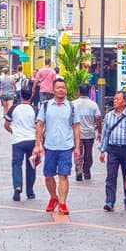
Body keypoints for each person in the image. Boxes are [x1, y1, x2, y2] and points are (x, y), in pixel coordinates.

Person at [31, 79, 80, 215]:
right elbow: (40, 125)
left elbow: (76, 126)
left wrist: (77, 147)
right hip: (50, 147)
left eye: (63, 88)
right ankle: (53, 197)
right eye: (58, 88)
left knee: (63, 175)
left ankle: (63, 203)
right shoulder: (46, 106)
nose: (61, 90)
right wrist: (37, 145)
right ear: (53, 90)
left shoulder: (71, 106)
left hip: (66, 147)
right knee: (48, 175)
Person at [100, 91, 126, 212]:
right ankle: (110, 201)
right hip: (112, 149)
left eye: (118, 99)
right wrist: (102, 150)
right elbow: (105, 134)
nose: (115, 101)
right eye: (115, 99)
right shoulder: (108, 116)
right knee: (111, 176)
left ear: (125, 102)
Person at [5, 83, 38, 202]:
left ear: (21, 95)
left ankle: (17, 187)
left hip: (17, 141)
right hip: (32, 140)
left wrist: (13, 131)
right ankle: (30, 192)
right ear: (31, 95)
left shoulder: (14, 108)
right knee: (31, 166)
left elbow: (6, 124)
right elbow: (39, 126)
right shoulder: (35, 109)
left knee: (16, 165)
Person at [72, 84, 101, 182]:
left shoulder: (73, 104)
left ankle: (79, 171)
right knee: (88, 153)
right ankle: (86, 171)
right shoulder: (93, 104)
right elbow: (98, 119)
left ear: (79, 92)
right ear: (88, 92)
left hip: (77, 134)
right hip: (90, 133)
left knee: (78, 153)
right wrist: (100, 132)